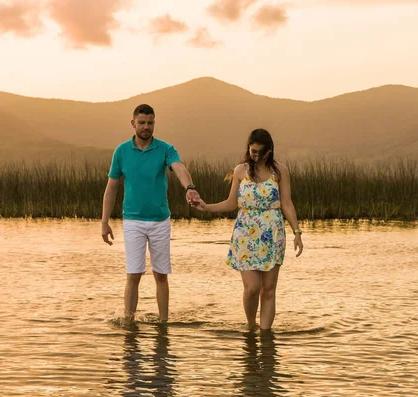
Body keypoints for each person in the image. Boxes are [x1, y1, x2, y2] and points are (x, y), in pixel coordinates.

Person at [193, 128, 303, 330]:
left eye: (261, 152)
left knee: (268, 290)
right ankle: (251, 326)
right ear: (248, 149)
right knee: (252, 288)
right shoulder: (240, 171)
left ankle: (266, 335)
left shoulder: (280, 171)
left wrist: (297, 232)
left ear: (269, 151)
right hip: (245, 234)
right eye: (253, 151)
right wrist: (206, 206)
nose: (256, 155)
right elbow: (231, 203)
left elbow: (286, 203)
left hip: (272, 234)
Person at [101, 104, 200, 324]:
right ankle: (128, 322)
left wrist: (190, 188)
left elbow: (179, 168)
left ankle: (163, 323)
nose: (146, 127)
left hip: (160, 221)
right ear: (133, 123)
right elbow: (112, 188)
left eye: (150, 123)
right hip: (133, 221)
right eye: (142, 122)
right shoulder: (122, 151)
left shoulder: (165, 149)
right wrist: (104, 222)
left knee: (161, 275)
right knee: (133, 275)